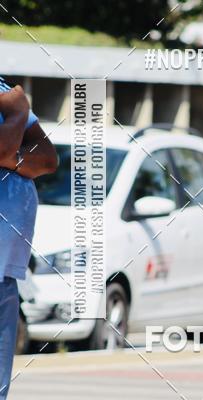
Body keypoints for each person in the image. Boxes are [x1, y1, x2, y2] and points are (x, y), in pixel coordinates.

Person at [0, 78, 57, 399]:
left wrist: (12, 159)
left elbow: (48, 158)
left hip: (5, 274)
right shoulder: (13, 102)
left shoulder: (1, 89)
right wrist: (18, 112)